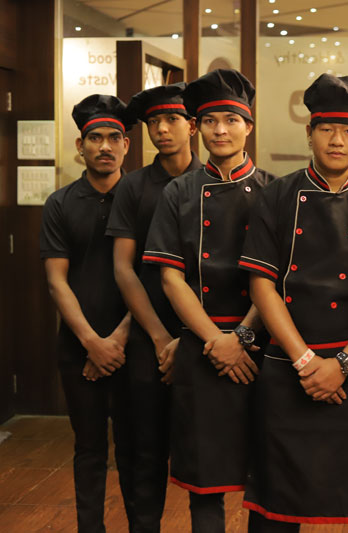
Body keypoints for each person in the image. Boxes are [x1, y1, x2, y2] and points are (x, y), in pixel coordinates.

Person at [240, 73, 348, 533]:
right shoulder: (276, 196)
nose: (337, 140)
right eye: (326, 129)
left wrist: (344, 363)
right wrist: (307, 362)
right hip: (288, 366)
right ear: (309, 133)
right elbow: (262, 286)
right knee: (277, 509)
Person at [142, 69, 275, 533]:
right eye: (211, 121)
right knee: (205, 481)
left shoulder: (275, 191)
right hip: (199, 345)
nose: (221, 131)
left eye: (231, 121)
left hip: (262, 344)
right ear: (198, 127)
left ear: (248, 126)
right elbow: (170, 277)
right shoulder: (179, 191)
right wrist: (216, 341)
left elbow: (275, 278)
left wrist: (241, 337)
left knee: (267, 479)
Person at [106, 82, 202, 532]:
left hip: (207, 333)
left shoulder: (212, 182)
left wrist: (191, 336)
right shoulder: (134, 186)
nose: (162, 129)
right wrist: (161, 337)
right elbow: (124, 269)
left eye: (172, 120)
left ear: (192, 126)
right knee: (143, 451)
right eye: (153, 123)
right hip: (149, 334)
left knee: (205, 452)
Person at [40, 94, 136, 532]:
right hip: (79, 347)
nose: (105, 146)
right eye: (95, 138)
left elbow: (152, 277)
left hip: (136, 343)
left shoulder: (142, 199)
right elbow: (56, 281)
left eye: (114, 137)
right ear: (80, 146)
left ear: (126, 145)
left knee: (138, 450)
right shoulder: (60, 203)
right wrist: (93, 344)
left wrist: (116, 341)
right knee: (89, 448)